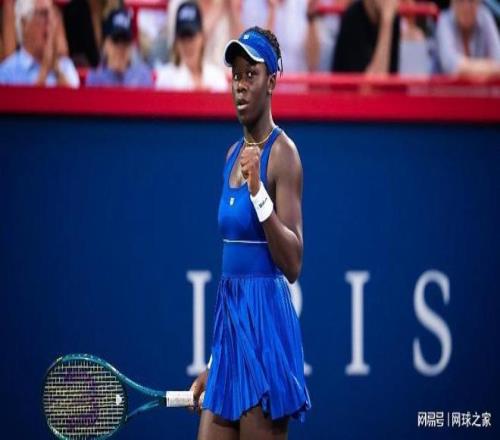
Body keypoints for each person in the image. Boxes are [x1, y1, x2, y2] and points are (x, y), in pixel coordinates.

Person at [189, 27, 311, 439]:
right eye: (236, 75)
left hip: (266, 334)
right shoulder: (230, 156)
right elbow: (233, 282)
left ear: (271, 82)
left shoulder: (284, 155)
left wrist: (259, 192)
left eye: (251, 74)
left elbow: (293, 263)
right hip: (231, 335)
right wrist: (215, 360)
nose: (240, 85)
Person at [0, 0, 79, 87]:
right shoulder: (7, 71)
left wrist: (57, 70)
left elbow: (75, 95)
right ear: (24, 24)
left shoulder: (66, 65)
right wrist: (44, 70)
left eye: (53, 14)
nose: (50, 21)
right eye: (43, 14)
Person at [155, 1, 227, 91]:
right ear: (176, 42)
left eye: (191, 37)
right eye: (183, 38)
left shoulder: (216, 77)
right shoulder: (165, 78)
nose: (188, 45)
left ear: (202, 38)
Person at [86, 8, 153, 88]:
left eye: (125, 42)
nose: (120, 48)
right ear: (105, 44)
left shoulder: (142, 76)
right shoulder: (95, 77)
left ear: (131, 46)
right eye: (116, 41)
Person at [435, 0, 500, 77]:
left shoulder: (485, 17)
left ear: (479, 3)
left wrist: (467, 68)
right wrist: (489, 67)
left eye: (471, 1)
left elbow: (498, 61)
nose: (466, 7)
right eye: (460, 1)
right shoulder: (444, 20)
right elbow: (451, 65)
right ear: (452, 3)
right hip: (444, 85)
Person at [332, 0, 400, 73]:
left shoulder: (392, 17)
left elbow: (392, 72)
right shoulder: (353, 18)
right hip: (351, 79)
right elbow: (373, 78)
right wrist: (386, 23)